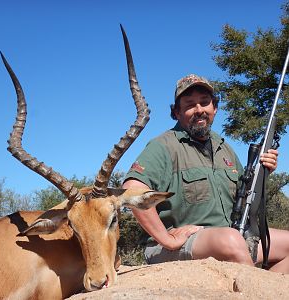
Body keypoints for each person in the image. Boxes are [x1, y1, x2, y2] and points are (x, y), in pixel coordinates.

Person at [123, 74, 289, 274]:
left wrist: (264, 172)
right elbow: (132, 191)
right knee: (231, 240)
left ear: (215, 108)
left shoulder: (224, 148)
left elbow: (245, 195)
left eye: (205, 102)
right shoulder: (164, 146)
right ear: (176, 112)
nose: (199, 110)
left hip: (231, 237)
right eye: (190, 104)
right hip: (179, 245)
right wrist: (168, 239)